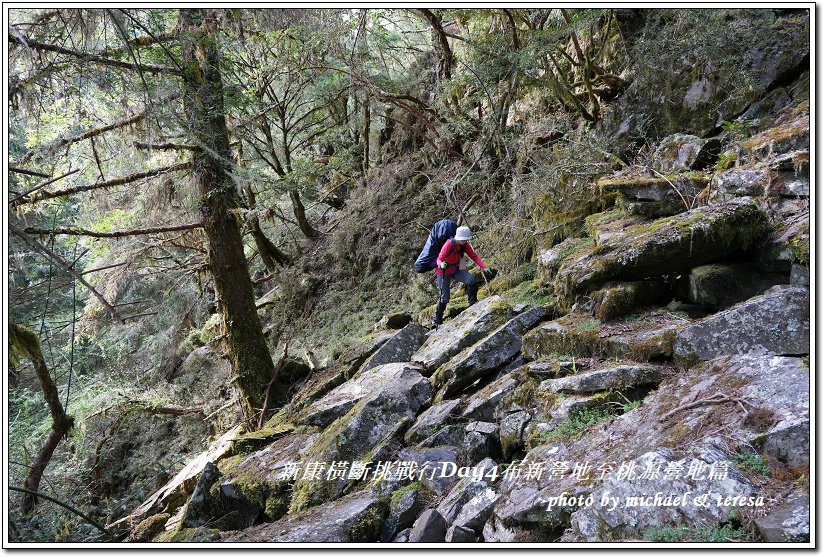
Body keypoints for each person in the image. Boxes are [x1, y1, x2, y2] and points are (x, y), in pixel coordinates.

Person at [433, 225, 487, 327]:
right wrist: (441, 264)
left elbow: (473, 256)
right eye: (463, 239)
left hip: (456, 269)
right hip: (443, 271)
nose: (464, 241)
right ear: (458, 237)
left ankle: (473, 303)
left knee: (471, 280)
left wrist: (484, 267)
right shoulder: (449, 244)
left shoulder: (465, 245)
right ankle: (437, 319)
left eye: (466, 239)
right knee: (444, 298)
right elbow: (439, 259)